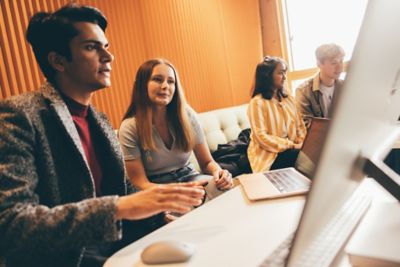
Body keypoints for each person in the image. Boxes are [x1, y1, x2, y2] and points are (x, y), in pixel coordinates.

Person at [0, 4, 205, 267]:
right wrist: (120, 208)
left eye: (106, 46)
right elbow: (11, 223)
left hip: (120, 242)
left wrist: (161, 215)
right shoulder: (21, 115)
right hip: (69, 257)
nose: (109, 57)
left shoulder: (100, 120)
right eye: (91, 47)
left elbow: (124, 190)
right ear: (58, 60)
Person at [118, 58, 233, 205]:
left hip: (191, 178)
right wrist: (181, 190)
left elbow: (207, 162)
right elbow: (140, 183)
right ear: (142, 85)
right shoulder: (130, 127)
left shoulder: (187, 115)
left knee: (227, 193)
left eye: (171, 81)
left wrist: (219, 173)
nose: (165, 86)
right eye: (158, 79)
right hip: (157, 189)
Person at [247, 56, 307, 173]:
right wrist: (292, 145)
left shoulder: (289, 99)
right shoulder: (257, 103)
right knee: (302, 158)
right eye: (280, 73)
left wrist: (302, 143)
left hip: (293, 149)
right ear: (267, 76)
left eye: (285, 72)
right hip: (270, 155)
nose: (285, 77)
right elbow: (261, 137)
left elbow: (300, 126)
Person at [295, 43, 345, 127]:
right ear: (319, 64)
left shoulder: (346, 87)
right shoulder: (303, 91)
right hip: (319, 139)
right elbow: (307, 125)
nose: (339, 67)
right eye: (334, 63)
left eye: (341, 61)